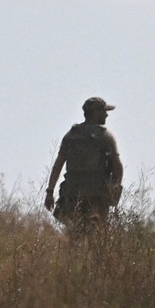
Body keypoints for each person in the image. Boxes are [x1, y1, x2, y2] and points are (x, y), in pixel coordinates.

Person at [45, 97, 124, 233]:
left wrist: (50, 192)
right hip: (97, 197)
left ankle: (74, 254)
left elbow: (58, 165)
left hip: (72, 195)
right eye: (103, 111)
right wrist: (114, 189)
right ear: (95, 113)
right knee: (96, 233)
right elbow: (117, 167)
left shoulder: (71, 135)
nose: (106, 115)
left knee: (74, 233)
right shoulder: (105, 136)